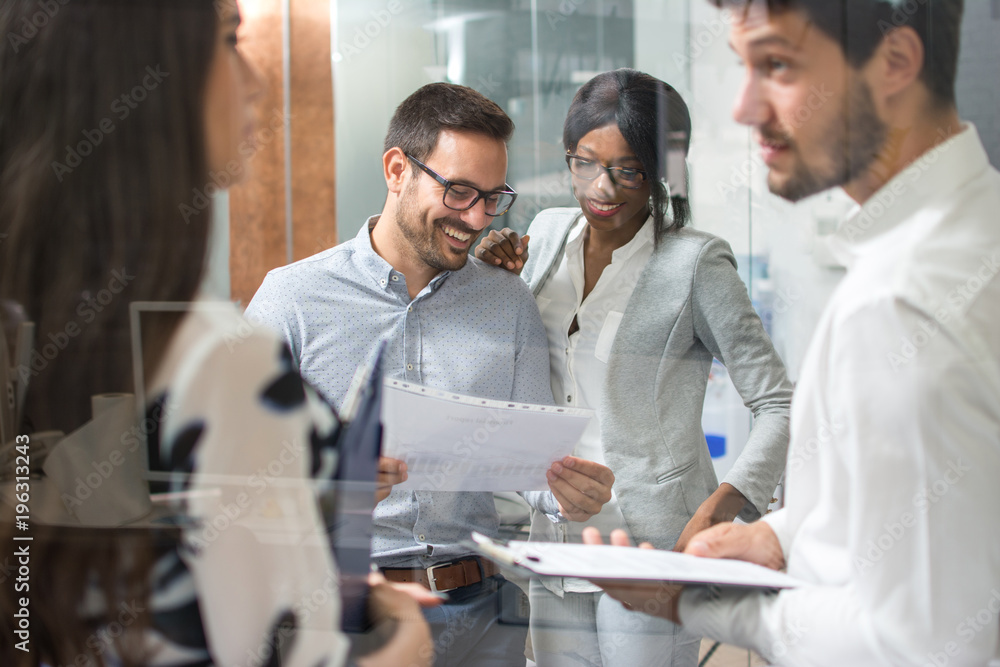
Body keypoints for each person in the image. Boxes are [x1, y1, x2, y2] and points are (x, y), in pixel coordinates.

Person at [0, 1, 434, 665]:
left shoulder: (29, 327)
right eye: (230, 39)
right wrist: (403, 636)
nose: (254, 80)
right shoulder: (218, 361)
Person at [585, 1, 1000, 665]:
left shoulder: (901, 304)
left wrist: (685, 599)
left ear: (895, 63)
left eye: (776, 64)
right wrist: (783, 535)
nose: (744, 107)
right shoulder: (974, 228)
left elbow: (923, 643)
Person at [244, 82, 617, 667]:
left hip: (480, 616)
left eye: (493, 197)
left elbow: (531, 466)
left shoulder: (506, 300)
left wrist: (569, 493)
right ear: (398, 169)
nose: (476, 218)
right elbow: (230, 479)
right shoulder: (291, 300)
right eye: (460, 190)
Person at [475, 69, 793, 667]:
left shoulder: (695, 263)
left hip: (651, 547)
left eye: (629, 170)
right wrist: (488, 265)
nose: (602, 187)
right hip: (557, 537)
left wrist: (712, 514)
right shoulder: (543, 236)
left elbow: (777, 401)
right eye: (585, 162)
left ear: (661, 174)